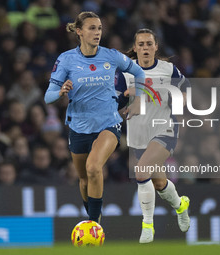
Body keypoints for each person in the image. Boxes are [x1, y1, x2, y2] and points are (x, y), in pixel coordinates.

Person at [44, 11, 145, 223]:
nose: (97, 32)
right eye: (92, 28)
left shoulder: (111, 56)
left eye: (99, 28)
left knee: (93, 167)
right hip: (78, 126)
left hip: (108, 123)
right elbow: (48, 96)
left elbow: (139, 73)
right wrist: (61, 91)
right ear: (79, 32)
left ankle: (94, 225)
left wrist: (137, 99)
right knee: (83, 179)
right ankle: (94, 217)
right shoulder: (66, 59)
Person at [116, 28, 190, 243]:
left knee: (140, 172)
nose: (145, 48)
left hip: (164, 128)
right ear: (135, 48)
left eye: (149, 44)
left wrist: (181, 99)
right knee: (159, 184)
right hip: (139, 134)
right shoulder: (126, 73)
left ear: (156, 47)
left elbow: (186, 89)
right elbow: (117, 101)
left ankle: (147, 225)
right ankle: (181, 206)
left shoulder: (168, 70)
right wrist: (125, 97)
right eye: (141, 44)